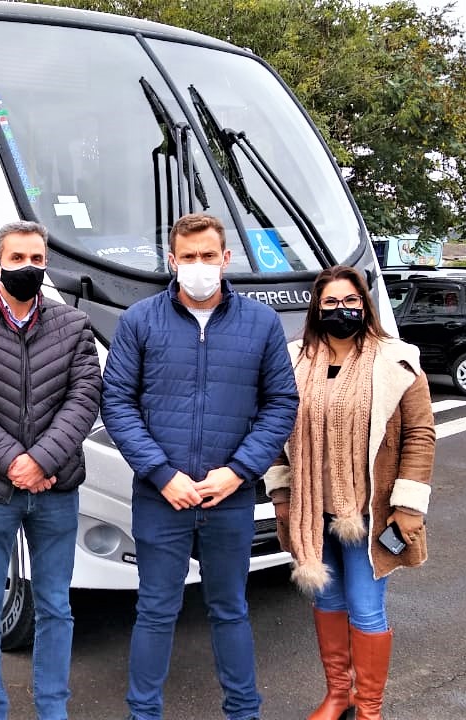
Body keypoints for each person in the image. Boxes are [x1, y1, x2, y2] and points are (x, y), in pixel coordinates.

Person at [101, 213, 299, 720]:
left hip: (228, 496)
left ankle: (244, 712)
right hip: (160, 496)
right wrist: (162, 474)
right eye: (187, 257)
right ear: (172, 261)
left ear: (226, 258)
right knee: (155, 611)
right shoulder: (140, 320)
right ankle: (142, 714)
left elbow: (280, 403)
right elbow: (117, 402)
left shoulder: (261, 324)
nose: (198, 266)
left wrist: (238, 473)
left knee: (229, 609)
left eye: (208, 256)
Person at [0, 220, 103, 720]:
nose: (27, 268)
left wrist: (43, 460)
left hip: (56, 490)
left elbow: (85, 397)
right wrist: (15, 463)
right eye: (17, 259)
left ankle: (53, 708)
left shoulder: (73, 326)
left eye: (36, 260)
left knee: (56, 606)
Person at [263, 265, 436, 720]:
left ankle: (369, 707)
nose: (343, 310)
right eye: (332, 302)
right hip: (311, 511)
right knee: (328, 602)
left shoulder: (397, 360)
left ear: (365, 304)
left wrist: (408, 505)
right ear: (317, 308)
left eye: (351, 301)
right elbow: (273, 431)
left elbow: (420, 435)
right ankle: (338, 694)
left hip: (368, 513)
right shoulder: (292, 360)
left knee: (365, 610)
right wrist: (282, 496)